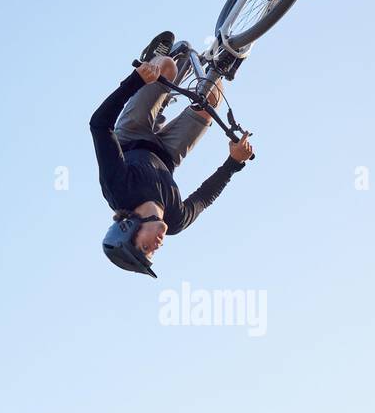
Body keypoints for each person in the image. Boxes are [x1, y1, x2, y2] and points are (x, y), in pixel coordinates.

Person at [90, 31, 254, 278]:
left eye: (145, 247)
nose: (156, 247)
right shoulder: (175, 220)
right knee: (211, 98)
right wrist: (234, 162)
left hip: (132, 135)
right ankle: (218, 63)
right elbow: (203, 199)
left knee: (167, 68)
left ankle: (152, 63)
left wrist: (135, 81)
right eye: (153, 254)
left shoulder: (118, 189)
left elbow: (100, 125)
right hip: (167, 153)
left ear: (129, 227)